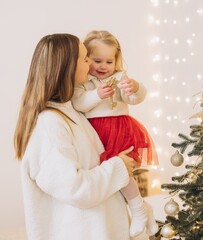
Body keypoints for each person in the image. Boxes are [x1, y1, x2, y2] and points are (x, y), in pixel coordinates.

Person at [14, 33, 138, 240]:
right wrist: (118, 167)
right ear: (67, 67)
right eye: (84, 58)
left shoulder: (73, 113)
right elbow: (76, 189)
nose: (90, 62)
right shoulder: (49, 124)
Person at [71, 30, 159, 237]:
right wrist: (96, 94)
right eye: (97, 60)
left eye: (109, 62)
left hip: (119, 129)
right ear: (86, 59)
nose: (103, 67)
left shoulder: (119, 77)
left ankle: (138, 209)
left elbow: (134, 100)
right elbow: (79, 103)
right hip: (95, 133)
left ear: (116, 60)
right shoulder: (84, 82)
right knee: (111, 177)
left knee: (123, 171)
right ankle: (143, 208)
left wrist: (135, 88)